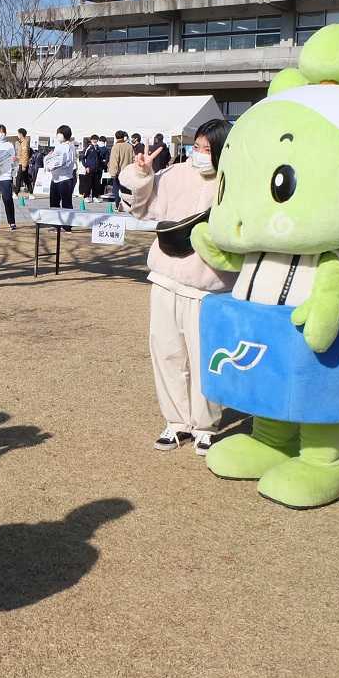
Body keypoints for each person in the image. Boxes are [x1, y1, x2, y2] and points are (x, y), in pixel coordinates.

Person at [120, 118, 235, 453]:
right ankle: (176, 422)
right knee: (167, 353)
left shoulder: (235, 182)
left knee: (204, 359)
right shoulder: (175, 174)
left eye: (207, 149)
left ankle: (205, 426)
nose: (199, 154)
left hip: (209, 288)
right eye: (196, 147)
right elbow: (141, 210)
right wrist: (142, 174)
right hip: (165, 278)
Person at [43, 124, 79, 220]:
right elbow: (53, 158)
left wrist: (51, 164)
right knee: (54, 202)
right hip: (56, 178)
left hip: (64, 179)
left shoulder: (68, 147)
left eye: (59, 133)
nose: (57, 135)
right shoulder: (60, 146)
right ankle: (56, 223)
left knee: (66, 203)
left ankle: (67, 225)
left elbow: (62, 161)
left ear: (65, 135)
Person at [106, 131, 135, 202]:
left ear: (116, 137)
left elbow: (114, 161)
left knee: (117, 190)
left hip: (119, 173)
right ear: (123, 137)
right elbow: (133, 159)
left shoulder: (116, 147)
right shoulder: (129, 146)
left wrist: (113, 173)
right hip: (128, 172)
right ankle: (127, 204)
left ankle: (118, 204)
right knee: (127, 190)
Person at [14, 127, 33, 195]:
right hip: (21, 162)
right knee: (26, 178)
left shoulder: (24, 143)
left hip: (23, 164)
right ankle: (31, 192)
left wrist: (24, 165)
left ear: (21, 134)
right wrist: (16, 158)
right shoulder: (22, 142)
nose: (18, 135)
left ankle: (16, 192)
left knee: (18, 178)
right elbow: (21, 154)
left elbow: (25, 155)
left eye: (18, 134)